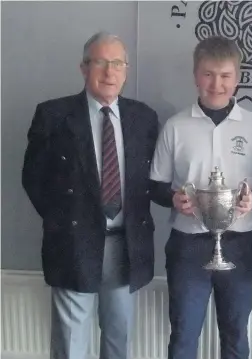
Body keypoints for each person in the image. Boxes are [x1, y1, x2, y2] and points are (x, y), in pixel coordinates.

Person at [22, 31, 159, 359]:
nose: (109, 72)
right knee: (71, 344)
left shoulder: (144, 118)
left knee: (119, 337)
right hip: (72, 242)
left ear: (126, 70)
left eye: (117, 64)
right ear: (84, 68)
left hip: (126, 245)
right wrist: (65, 222)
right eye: (100, 62)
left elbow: (153, 180)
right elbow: (33, 179)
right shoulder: (53, 115)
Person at [149, 35, 252, 359]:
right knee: (183, 335)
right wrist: (173, 200)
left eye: (225, 75)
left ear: (237, 78)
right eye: (208, 74)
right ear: (196, 75)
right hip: (188, 244)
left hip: (241, 242)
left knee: (236, 334)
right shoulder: (175, 127)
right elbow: (154, 185)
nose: (216, 84)